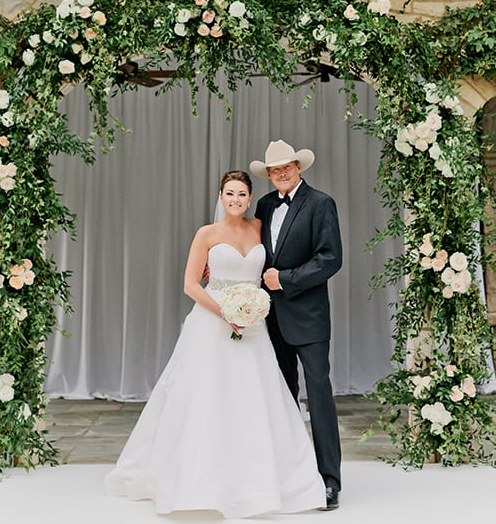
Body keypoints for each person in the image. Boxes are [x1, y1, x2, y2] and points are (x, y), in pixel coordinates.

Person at [105, 170, 326, 518]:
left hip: (252, 326)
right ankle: (199, 481)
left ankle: (260, 480)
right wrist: (226, 312)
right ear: (220, 197)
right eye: (230, 194)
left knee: (255, 400)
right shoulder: (206, 234)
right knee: (205, 399)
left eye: (242, 194)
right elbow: (191, 284)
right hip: (212, 325)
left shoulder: (259, 229)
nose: (236, 200)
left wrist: (251, 309)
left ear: (250, 199)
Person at [250, 140, 343, 511]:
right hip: (270, 318)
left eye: (286, 167)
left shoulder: (321, 204)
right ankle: (291, 475)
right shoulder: (265, 205)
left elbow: (330, 258)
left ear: (298, 168)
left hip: (309, 317)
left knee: (318, 395)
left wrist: (285, 278)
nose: (281, 173)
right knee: (281, 398)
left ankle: (330, 481)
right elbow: (256, 254)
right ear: (269, 175)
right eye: (274, 170)